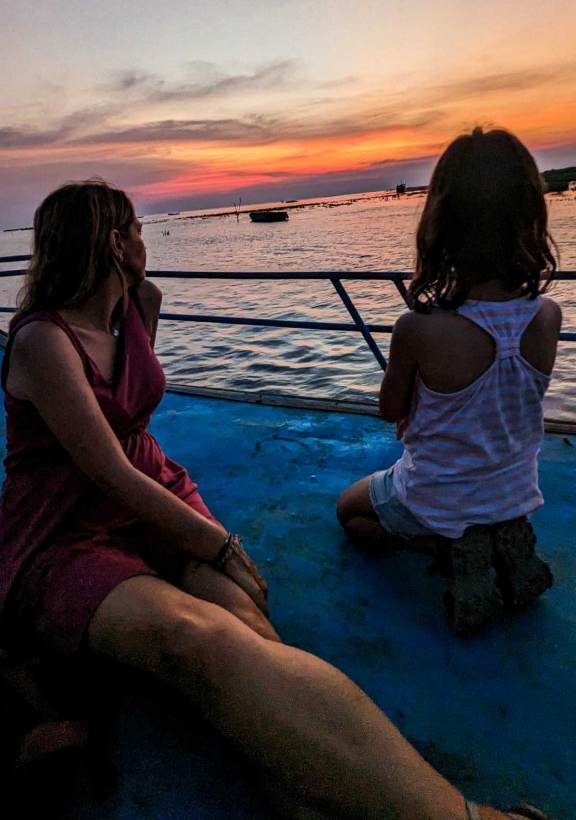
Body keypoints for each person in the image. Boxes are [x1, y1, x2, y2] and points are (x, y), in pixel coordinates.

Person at [0, 178, 549, 820]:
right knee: (195, 640)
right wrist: (220, 543)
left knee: (254, 628)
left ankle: (296, 785)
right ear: (115, 240)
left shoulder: (137, 304)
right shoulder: (44, 340)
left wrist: (140, 299)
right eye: (139, 229)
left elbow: (136, 425)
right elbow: (105, 472)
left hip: (152, 488)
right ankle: (463, 816)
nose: (148, 239)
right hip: (65, 526)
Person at [337, 127, 561, 634]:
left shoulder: (417, 328)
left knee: (350, 514)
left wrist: (417, 403)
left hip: (436, 495)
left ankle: (446, 545)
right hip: (514, 492)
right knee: (480, 500)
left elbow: (390, 410)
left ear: (441, 224)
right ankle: (498, 536)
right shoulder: (547, 315)